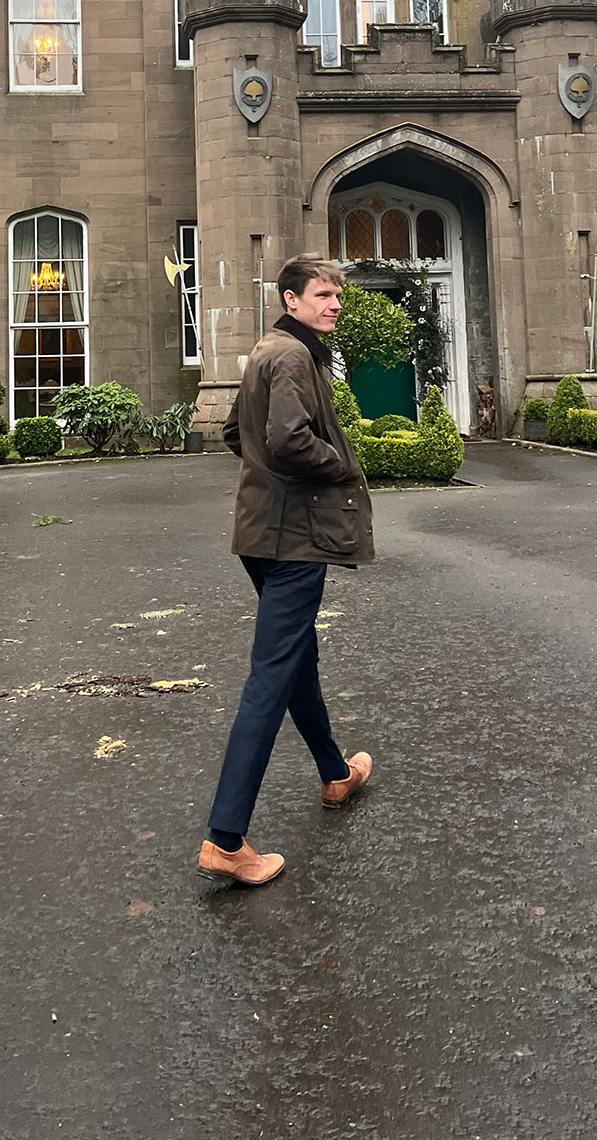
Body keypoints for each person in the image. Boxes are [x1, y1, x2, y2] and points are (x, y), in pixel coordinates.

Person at [197, 253, 375, 887]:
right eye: (322, 295)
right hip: (295, 537)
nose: (333, 305)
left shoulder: (267, 351)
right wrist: (343, 467)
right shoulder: (294, 356)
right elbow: (290, 441)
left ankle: (335, 773)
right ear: (290, 299)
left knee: (296, 658)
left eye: (337, 296)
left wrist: (268, 477)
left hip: (263, 531)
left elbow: (230, 432)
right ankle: (225, 837)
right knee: (271, 675)